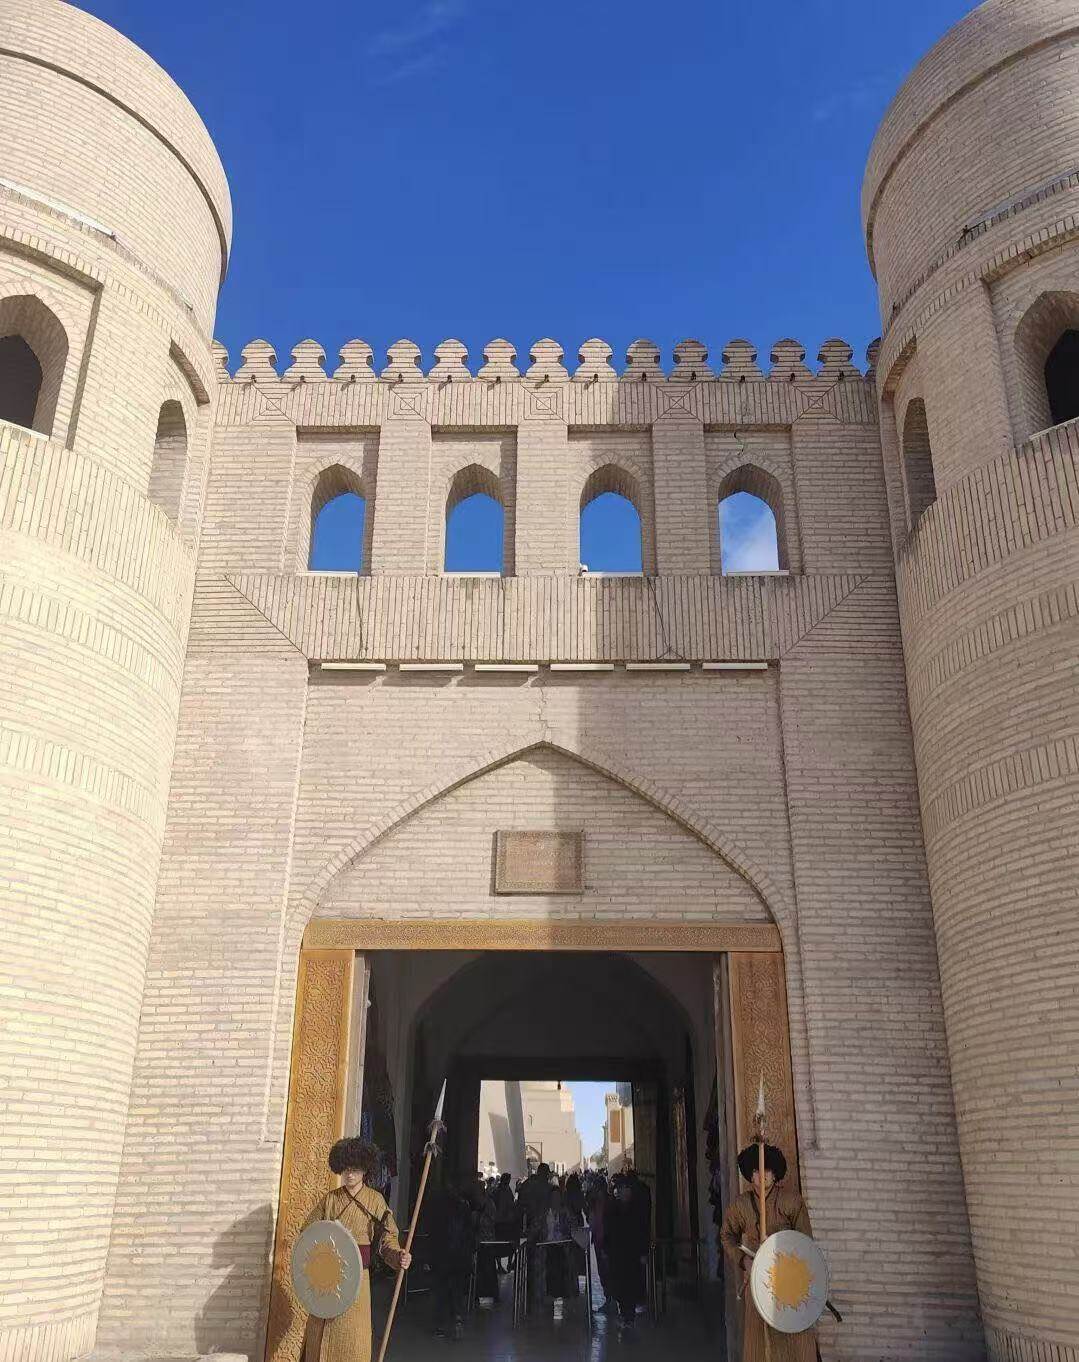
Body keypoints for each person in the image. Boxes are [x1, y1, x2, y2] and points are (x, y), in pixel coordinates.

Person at [298, 1137, 411, 1362]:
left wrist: (398, 1256)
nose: (350, 1174)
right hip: (326, 1277)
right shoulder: (330, 1200)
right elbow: (308, 1234)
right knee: (320, 1335)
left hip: (358, 1280)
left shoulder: (375, 1200)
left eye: (356, 1169)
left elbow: (387, 1239)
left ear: (365, 1170)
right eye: (346, 1169)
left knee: (354, 1338)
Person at [720, 1143, 816, 1362]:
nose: (761, 1176)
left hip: (791, 1279)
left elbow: (806, 1243)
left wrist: (785, 1259)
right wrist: (743, 1260)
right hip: (758, 1279)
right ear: (749, 1174)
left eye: (767, 1170)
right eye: (755, 1171)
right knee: (758, 1339)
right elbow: (727, 1236)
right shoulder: (741, 1206)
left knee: (796, 1335)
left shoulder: (792, 1201)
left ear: (775, 1173)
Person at [426, 1176, 476, 1342]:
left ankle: (441, 1325)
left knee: (441, 1290)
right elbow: (469, 1233)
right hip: (458, 1255)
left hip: (443, 1255)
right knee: (456, 1290)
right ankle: (457, 1319)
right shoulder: (463, 1206)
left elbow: (432, 1232)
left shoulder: (437, 1207)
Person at [604, 1175, 648, 1327]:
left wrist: (643, 1252)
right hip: (618, 1254)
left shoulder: (637, 1208)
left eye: (627, 1189)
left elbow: (643, 1231)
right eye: (622, 1189)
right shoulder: (613, 1208)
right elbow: (609, 1231)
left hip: (632, 1254)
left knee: (631, 1284)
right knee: (620, 1285)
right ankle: (624, 1313)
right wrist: (607, 1249)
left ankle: (629, 1315)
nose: (625, 1192)